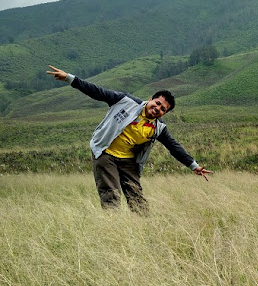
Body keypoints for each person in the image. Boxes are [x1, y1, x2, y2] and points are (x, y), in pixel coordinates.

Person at [46, 65, 212, 214]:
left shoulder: (158, 128)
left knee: (137, 198)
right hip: (106, 153)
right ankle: (114, 230)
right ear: (151, 98)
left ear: (164, 113)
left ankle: (144, 230)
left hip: (128, 161)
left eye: (162, 109)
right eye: (157, 103)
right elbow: (97, 92)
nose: (157, 109)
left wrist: (194, 166)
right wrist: (69, 78)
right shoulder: (125, 101)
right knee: (110, 194)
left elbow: (174, 147)